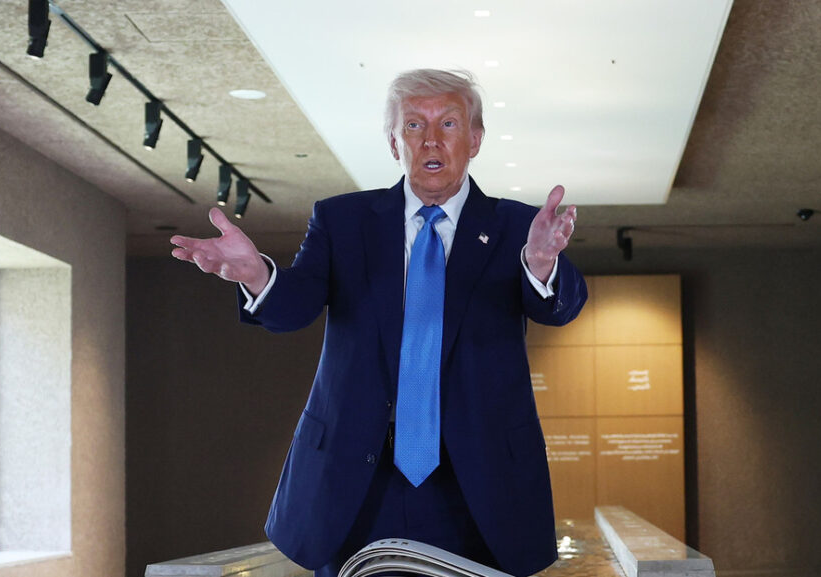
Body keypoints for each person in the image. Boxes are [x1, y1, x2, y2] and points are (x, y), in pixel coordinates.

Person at [171, 69, 587, 577]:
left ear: (475, 139)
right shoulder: (342, 220)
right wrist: (258, 275)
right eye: (413, 125)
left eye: (449, 124)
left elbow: (561, 307)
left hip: (480, 485)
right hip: (356, 483)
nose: (431, 140)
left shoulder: (517, 226)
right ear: (394, 143)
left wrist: (541, 264)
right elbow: (295, 305)